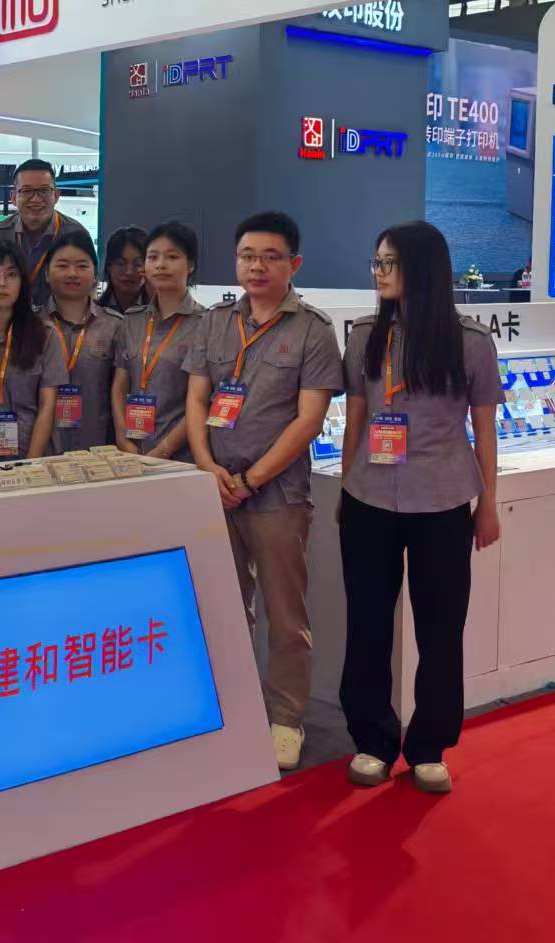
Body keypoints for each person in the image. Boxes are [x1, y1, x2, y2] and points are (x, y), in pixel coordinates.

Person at [340, 221, 502, 795]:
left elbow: (485, 428)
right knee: (367, 624)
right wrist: (346, 485)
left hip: (443, 500)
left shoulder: (470, 341)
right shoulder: (365, 335)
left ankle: (430, 745)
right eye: (377, 263)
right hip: (369, 499)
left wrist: (489, 503)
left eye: (390, 263)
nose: (379, 273)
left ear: (423, 268)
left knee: (441, 628)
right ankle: (372, 739)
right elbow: (357, 417)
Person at [183, 211, 343, 772]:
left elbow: (309, 421)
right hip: (215, 489)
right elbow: (197, 400)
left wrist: (251, 480)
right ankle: (232, 707)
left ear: (293, 264)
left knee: (284, 613)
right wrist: (207, 467)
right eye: (248, 255)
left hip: (277, 496)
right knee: (224, 607)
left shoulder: (313, 330)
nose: (257, 266)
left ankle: (286, 719)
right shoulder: (215, 322)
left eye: (270, 257)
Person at [111, 221, 205, 460]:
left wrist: (164, 449)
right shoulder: (132, 320)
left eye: (172, 257)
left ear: (190, 265)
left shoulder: (206, 324)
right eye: (153, 257)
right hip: (132, 452)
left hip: (181, 456)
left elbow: (202, 400)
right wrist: (122, 437)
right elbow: (120, 384)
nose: (161, 265)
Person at [0, 241, 52, 460]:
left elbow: (47, 405)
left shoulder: (44, 334)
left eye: (12, 275)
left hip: (30, 454)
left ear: (23, 282)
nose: (2, 283)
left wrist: (32, 463)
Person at [43, 230, 124, 455]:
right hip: (41, 452)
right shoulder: (31, 326)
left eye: (81, 266)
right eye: (62, 265)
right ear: (46, 274)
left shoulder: (115, 326)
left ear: (95, 275)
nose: (72, 273)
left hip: (98, 452)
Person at [0, 159, 66, 309]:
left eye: (44, 191)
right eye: (27, 191)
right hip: (10, 316)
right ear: (13, 197)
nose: (36, 199)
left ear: (56, 195)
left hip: (60, 319)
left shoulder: (74, 233)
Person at [98, 226, 150, 315]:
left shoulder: (159, 311)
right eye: (121, 263)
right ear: (109, 266)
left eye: (138, 263)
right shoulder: (94, 312)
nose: (129, 272)